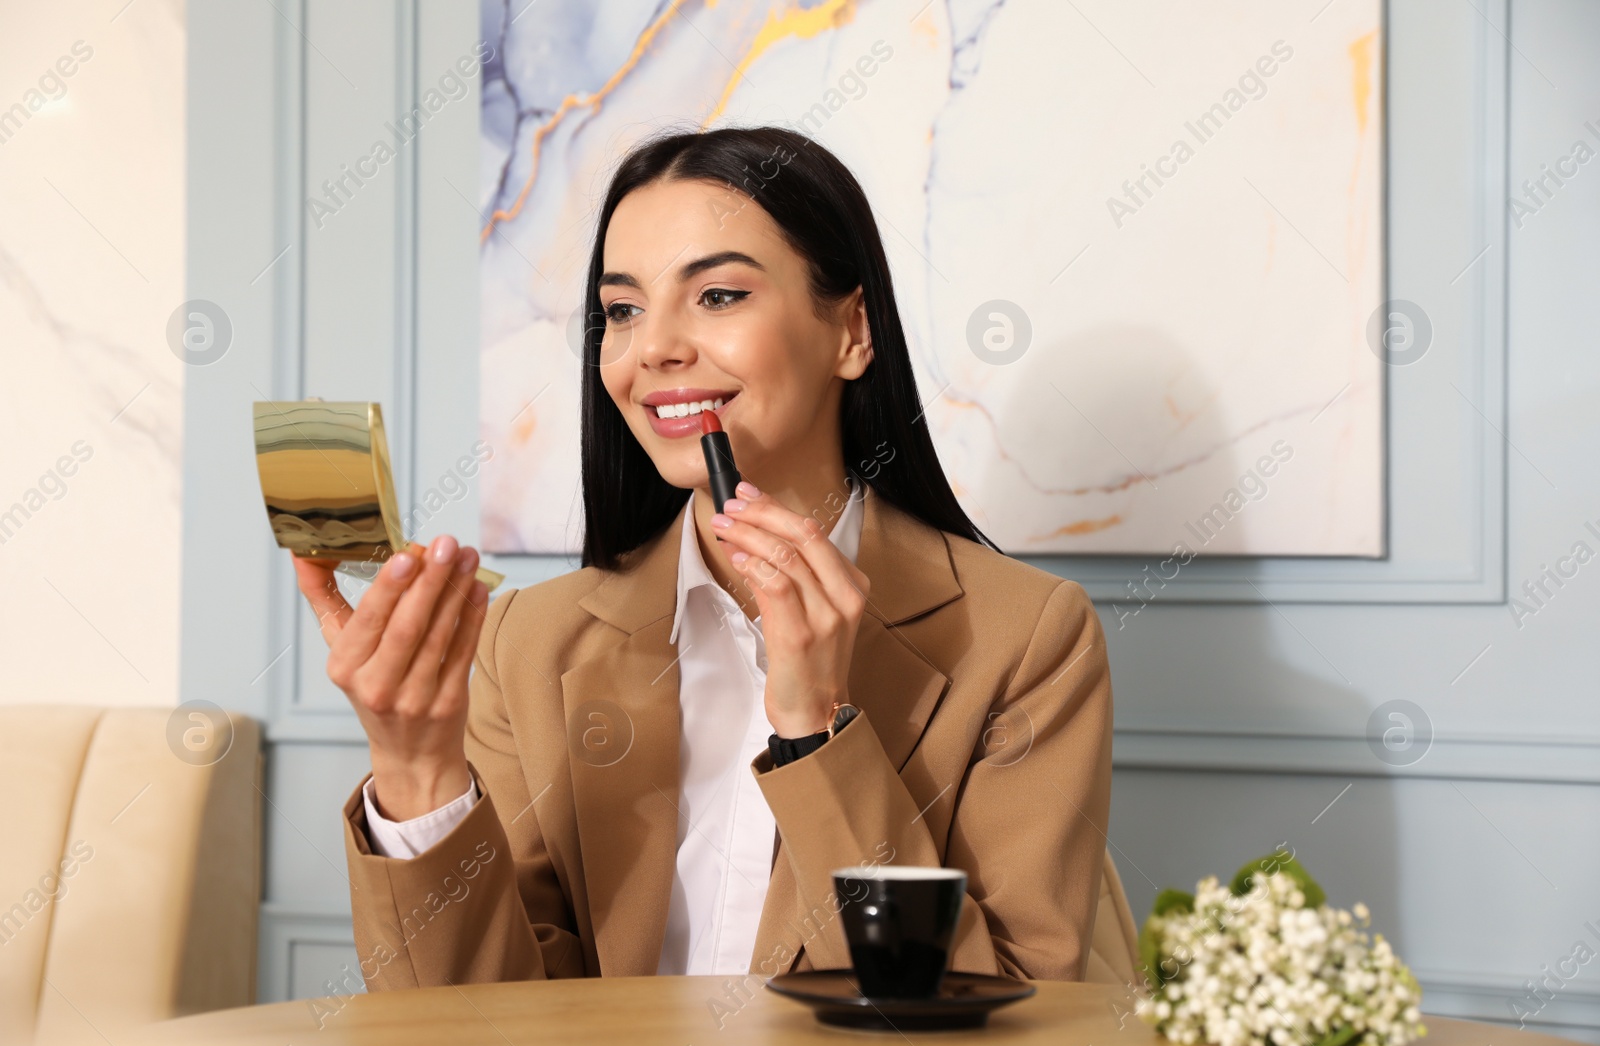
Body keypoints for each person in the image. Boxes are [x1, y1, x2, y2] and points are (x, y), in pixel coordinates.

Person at [293, 125, 1113, 991]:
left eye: (717, 295)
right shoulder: (527, 642)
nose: (652, 349)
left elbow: (1012, 1022)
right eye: (622, 309)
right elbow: (477, 1031)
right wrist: (417, 766)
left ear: (852, 330)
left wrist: (819, 732)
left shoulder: (1028, 639)